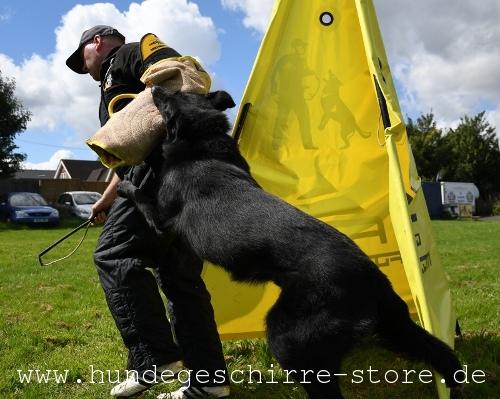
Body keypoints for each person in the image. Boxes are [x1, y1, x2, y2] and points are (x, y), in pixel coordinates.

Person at [66, 25, 230, 399]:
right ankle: (210, 383)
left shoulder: (125, 54)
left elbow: (173, 68)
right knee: (181, 281)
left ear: (97, 43)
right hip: (181, 179)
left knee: (114, 254)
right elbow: (131, 154)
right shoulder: (116, 78)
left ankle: (152, 359)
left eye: (83, 58)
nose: (84, 67)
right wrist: (107, 199)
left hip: (156, 178)